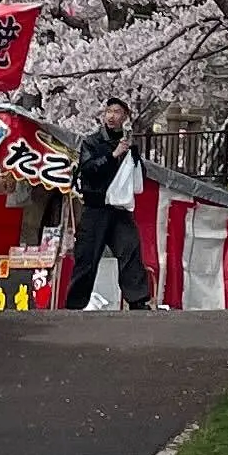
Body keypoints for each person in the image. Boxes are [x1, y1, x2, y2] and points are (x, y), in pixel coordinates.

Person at [63, 99, 152, 310]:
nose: (112, 116)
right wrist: (112, 156)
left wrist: (132, 157)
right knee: (87, 257)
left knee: (130, 249)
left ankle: (138, 300)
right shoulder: (92, 142)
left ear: (125, 117)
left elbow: (138, 176)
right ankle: (75, 304)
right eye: (109, 111)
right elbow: (88, 169)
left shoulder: (127, 144)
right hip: (96, 207)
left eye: (117, 112)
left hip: (119, 209)